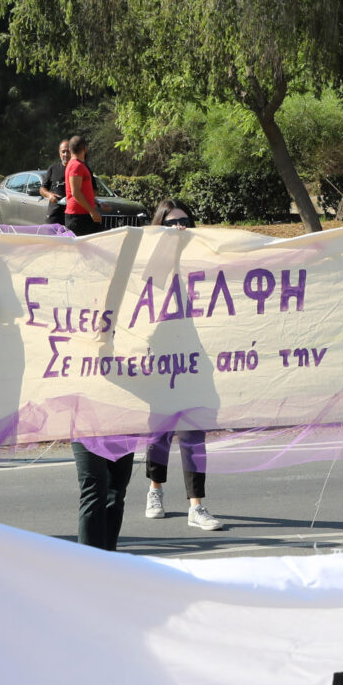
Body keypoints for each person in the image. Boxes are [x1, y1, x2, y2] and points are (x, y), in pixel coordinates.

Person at [141, 201, 221, 531]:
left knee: (193, 433)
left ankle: (196, 507)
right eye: (173, 223)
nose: (181, 228)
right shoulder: (153, 265)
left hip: (195, 359)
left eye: (186, 221)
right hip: (160, 357)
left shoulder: (206, 259)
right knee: (159, 431)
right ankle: (154, 489)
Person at [63, 134, 101, 236]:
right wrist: (92, 211)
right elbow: (75, 192)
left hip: (82, 215)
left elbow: (84, 191)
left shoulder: (78, 165)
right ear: (85, 149)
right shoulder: (76, 166)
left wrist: (96, 203)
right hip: (78, 217)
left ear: (70, 149)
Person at [44, 139, 71, 224]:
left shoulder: (78, 169)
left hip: (72, 216)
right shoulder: (53, 168)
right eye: (63, 152)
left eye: (68, 151)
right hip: (54, 215)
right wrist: (49, 195)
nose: (65, 154)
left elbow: (92, 190)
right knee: (50, 236)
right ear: (59, 153)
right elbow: (42, 189)